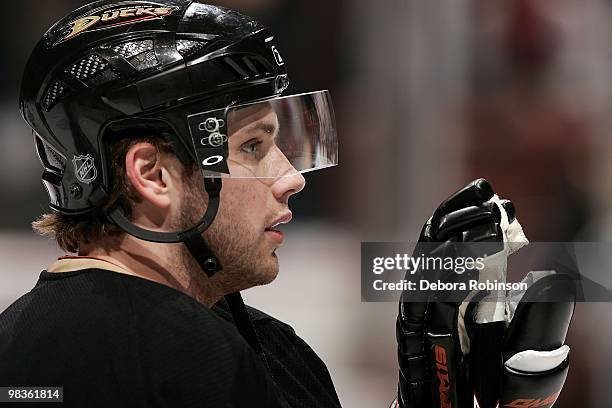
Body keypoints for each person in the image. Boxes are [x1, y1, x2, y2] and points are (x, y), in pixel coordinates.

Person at [0, 1, 576, 407]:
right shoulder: (180, 356)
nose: (290, 177)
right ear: (152, 174)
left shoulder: (242, 337)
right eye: (252, 145)